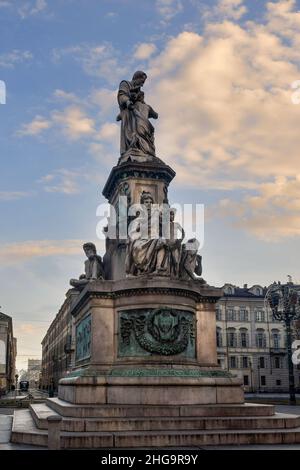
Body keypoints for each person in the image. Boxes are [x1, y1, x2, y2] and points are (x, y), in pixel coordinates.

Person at [117, 71, 158, 160]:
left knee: (146, 129)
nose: (142, 84)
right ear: (136, 78)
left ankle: (145, 149)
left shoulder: (139, 91)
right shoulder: (125, 84)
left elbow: (143, 104)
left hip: (137, 113)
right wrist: (128, 102)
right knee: (134, 133)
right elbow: (121, 95)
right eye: (142, 82)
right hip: (129, 115)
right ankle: (134, 146)